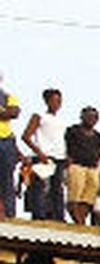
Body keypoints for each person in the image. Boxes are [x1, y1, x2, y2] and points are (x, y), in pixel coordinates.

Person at [21, 88, 66, 222]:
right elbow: (26, 136)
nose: (57, 104)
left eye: (59, 101)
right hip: (44, 156)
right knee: (40, 187)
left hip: (59, 156)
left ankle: (58, 216)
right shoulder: (39, 116)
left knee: (57, 188)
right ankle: (38, 215)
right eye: (54, 100)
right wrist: (39, 153)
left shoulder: (60, 120)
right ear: (47, 101)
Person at [63, 105, 100, 225]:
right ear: (82, 117)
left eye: (95, 117)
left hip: (91, 166)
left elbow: (98, 150)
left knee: (90, 193)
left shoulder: (97, 136)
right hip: (76, 164)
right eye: (89, 116)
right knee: (75, 192)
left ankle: (81, 218)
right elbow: (65, 145)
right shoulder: (73, 130)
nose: (92, 119)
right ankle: (77, 219)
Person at [0, 71, 22, 218]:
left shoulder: (8, 96)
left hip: (6, 139)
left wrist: (6, 112)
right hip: (6, 139)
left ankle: (9, 213)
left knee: (7, 178)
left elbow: (14, 112)